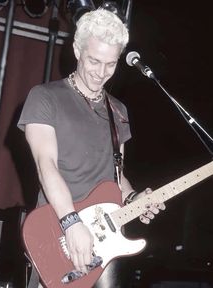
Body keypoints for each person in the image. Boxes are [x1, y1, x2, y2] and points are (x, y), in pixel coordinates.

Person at [18, 7, 165, 287]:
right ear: (77, 50)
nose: (101, 73)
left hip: (104, 238)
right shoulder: (45, 97)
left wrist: (135, 199)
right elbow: (45, 164)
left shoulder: (118, 111)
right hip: (59, 232)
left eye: (110, 64)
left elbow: (116, 177)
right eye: (94, 61)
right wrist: (71, 223)